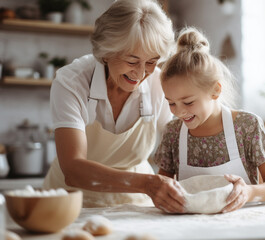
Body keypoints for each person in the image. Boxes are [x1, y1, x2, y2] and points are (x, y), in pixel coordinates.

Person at [43, 0, 186, 212]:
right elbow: (73, 169)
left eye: (151, 62)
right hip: (69, 204)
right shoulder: (72, 82)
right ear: (107, 51)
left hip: (136, 204)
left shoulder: (158, 84)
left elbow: (177, 151)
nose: (140, 74)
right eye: (131, 61)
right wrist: (148, 184)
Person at [154, 27, 265, 213]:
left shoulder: (247, 126)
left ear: (215, 90)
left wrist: (247, 192)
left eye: (188, 102)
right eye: (171, 103)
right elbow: (163, 188)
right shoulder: (173, 132)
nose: (179, 112)